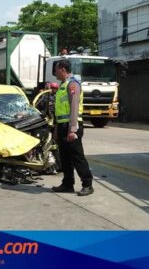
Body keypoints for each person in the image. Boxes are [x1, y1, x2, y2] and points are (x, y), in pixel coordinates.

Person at [52, 59, 94, 196]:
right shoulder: (62, 86)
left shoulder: (73, 84)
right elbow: (60, 111)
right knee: (64, 157)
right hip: (63, 126)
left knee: (77, 157)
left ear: (63, 69)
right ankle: (67, 183)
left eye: (56, 69)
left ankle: (87, 184)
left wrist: (72, 129)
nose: (55, 72)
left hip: (72, 126)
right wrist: (57, 129)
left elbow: (74, 108)